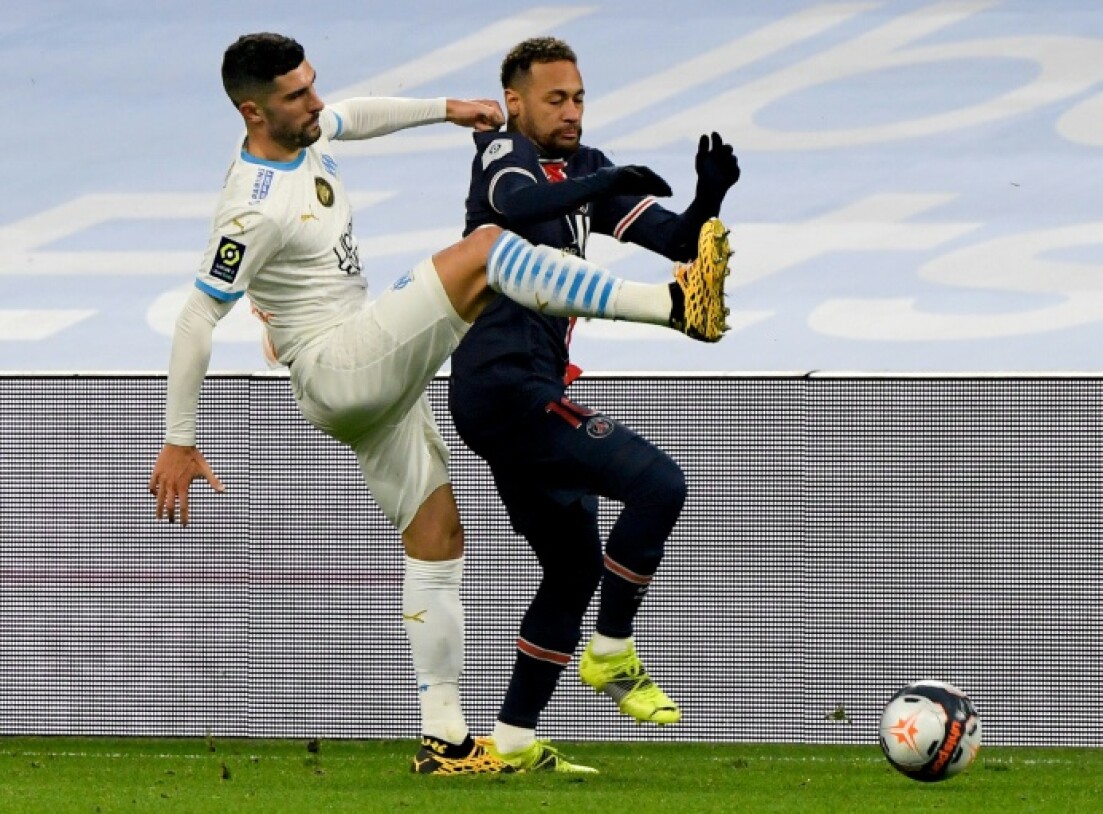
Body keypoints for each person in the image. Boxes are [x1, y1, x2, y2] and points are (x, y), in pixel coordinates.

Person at [146, 33, 730, 777]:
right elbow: (198, 316)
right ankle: (675, 306)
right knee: (486, 248)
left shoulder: (309, 132)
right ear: (252, 111)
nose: (315, 102)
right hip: (340, 363)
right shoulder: (250, 206)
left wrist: (446, 110)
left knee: (438, 538)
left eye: (312, 84)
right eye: (297, 96)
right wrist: (178, 439)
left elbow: (354, 116)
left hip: (366, 379)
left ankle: (447, 739)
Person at [448, 37, 739, 773]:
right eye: (556, 99)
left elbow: (673, 238)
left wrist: (709, 198)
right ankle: (611, 651)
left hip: (532, 390)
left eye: (578, 97)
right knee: (658, 483)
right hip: (502, 387)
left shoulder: (583, 168)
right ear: (515, 102)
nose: (572, 111)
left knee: (571, 567)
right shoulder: (500, 154)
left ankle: (511, 741)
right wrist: (598, 181)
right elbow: (519, 205)